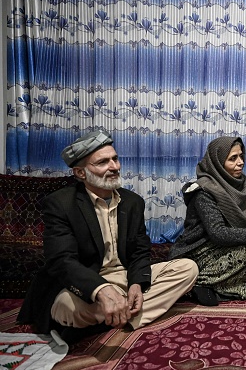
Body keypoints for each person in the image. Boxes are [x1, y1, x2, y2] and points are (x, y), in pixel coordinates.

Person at [17, 129, 199, 343]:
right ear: (80, 173)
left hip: (123, 276)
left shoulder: (133, 202)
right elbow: (61, 261)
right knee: (68, 308)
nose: (114, 167)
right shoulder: (61, 204)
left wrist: (136, 285)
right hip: (85, 282)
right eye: (102, 162)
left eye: (115, 159)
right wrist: (100, 289)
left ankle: (107, 319)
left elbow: (140, 250)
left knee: (188, 269)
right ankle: (122, 314)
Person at [168, 136, 246, 306]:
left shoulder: (239, 184)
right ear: (217, 163)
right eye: (233, 158)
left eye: (241, 156)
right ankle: (202, 282)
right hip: (203, 253)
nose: (241, 162)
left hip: (229, 246)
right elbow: (218, 233)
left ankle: (232, 286)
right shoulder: (203, 191)